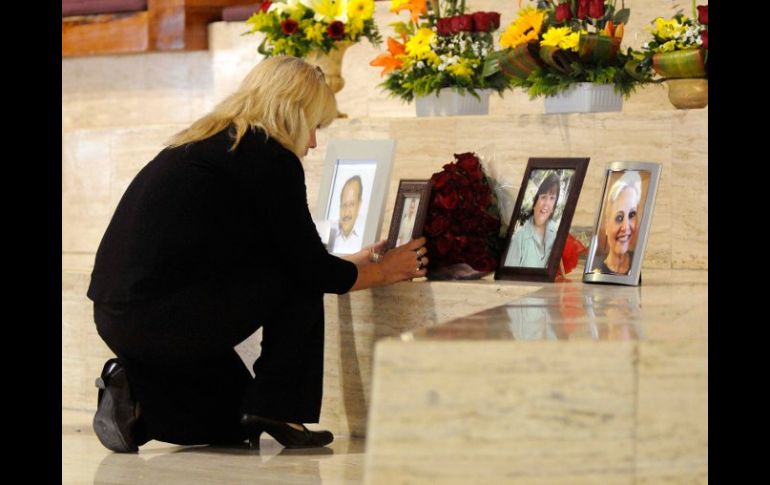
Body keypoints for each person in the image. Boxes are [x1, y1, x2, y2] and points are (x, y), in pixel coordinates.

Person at [87, 56, 429, 454]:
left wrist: (354, 263)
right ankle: (281, 409)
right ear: (293, 112)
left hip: (119, 315)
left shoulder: (208, 142)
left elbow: (272, 251)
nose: (314, 143)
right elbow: (307, 269)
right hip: (163, 318)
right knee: (297, 279)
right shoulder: (268, 154)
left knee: (233, 421)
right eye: (314, 126)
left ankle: (133, 397)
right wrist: (385, 271)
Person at [503, 172, 561, 267]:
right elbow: (508, 279)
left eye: (552, 198)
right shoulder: (518, 239)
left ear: (554, 207)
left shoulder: (556, 234)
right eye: (543, 197)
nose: (546, 203)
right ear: (534, 203)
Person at [594, 171, 641, 275]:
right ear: (607, 225)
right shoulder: (595, 270)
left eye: (632, 215)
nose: (625, 227)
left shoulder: (639, 264)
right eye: (619, 218)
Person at [328, 175, 364, 254]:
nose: (346, 212)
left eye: (351, 204)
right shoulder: (329, 230)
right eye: (344, 205)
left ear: (359, 204)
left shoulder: (367, 232)